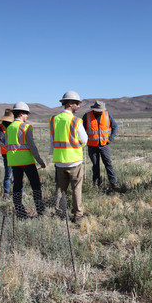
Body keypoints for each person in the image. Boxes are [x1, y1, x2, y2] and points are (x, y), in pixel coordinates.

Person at [50, 91, 88, 224]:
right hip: (74, 161)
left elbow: (52, 141)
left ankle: (59, 214)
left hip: (59, 161)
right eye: (77, 103)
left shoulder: (54, 119)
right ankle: (77, 216)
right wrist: (78, 145)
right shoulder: (75, 121)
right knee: (76, 188)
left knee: (61, 189)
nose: (78, 106)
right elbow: (85, 139)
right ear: (70, 104)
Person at [6, 102, 46, 219]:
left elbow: (6, 144)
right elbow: (32, 146)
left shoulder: (9, 128)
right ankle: (41, 212)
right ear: (22, 114)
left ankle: (20, 213)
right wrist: (40, 161)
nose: (27, 116)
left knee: (17, 186)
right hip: (27, 161)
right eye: (26, 114)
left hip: (14, 162)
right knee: (36, 186)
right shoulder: (26, 127)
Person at [82, 100, 118, 189]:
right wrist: (84, 140)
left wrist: (110, 138)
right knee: (95, 165)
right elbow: (81, 130)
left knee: (108, 163)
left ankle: (114, 184)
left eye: (101, 110)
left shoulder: (107, 115)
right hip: (92, 145)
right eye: (98, 110)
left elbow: (115, 127)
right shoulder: (87, 116)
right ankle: (96, 185)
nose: (100, 112)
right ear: (94, 109)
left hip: (104, 145)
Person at [0, 109, 14, 199]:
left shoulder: (13, 126)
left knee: (17, 174)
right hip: (6, 154)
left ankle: (21, 192)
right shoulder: (0, 128)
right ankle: (6, 193)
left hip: (15, 153)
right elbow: (2, 140)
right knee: (8, 174)